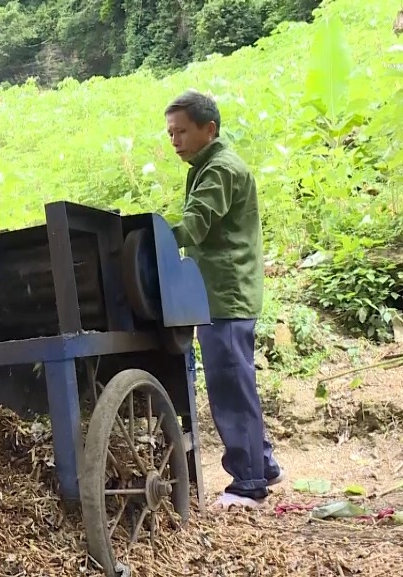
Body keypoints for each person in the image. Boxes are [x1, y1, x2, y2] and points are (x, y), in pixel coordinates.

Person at [164, 90, 284, 510]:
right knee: (238, 383)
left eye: (181, 131)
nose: (174, 140)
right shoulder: (208, 166)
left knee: (231, 387)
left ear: (208, 129)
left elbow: (195, 224)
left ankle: (248, 484)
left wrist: (150, 238)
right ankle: (262, 465)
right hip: (221, 292)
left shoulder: (219, 170)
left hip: (226, 295)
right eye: (170, 133)